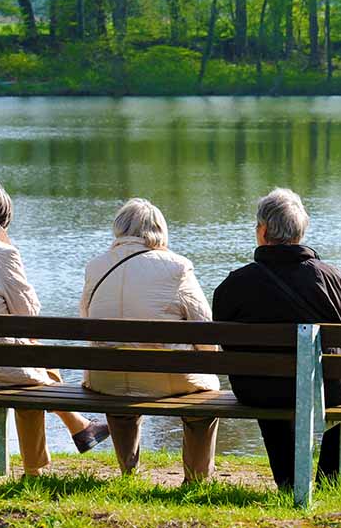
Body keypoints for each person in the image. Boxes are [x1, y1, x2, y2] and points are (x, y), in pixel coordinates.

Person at [0, 179, 109, 477]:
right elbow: (29, 315)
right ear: (3, 218)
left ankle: (79, 429)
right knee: (36, 372)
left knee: (36, 362)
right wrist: (8, 248)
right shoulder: (3, 254)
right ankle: (40, 463)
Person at [212, 187, 341, 489]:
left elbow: (225, 340)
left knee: (271, 385)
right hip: (328, 387)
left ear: (262, 231)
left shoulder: (234, 284)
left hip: (257, 388)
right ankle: (329, 481)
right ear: (300, 232)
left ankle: (289, 483)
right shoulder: (328, 277)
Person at [80, 198, 220, 481]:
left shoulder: (95, 267)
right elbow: (204, 329)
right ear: (159, 231)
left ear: (119, 229)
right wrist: (208, 359)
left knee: (120, 394)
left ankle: (128, 475)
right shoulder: (177, 267)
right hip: (166, 378)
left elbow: (86, 318)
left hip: (105, 378)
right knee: (203, 404)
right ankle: (197, 479)